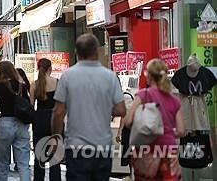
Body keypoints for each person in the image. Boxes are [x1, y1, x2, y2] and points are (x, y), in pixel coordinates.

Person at [52, 34, 126, 181]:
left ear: (76, 52)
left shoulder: (67, 76)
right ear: (97, 51)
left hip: (76, 147)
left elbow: (59, 112)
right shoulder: (109, 76)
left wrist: (56, 137)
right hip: (102, 146)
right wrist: (105, 108)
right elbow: (121, 110)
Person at [125, 59, 185, 181]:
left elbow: (128, 121)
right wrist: (165, 131)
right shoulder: (174, 100)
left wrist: (144, 129)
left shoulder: (143, 95)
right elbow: (181, 131)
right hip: (168, 151)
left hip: (145, 152)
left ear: (150, 76)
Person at [0, 61, 31, 181]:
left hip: (5, 122)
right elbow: (28, 105)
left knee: (3, 164)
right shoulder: (21, 86)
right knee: (23, 164)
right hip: (21, 124)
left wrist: (0, 123)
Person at [30, 58, 61, 181]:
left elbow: (31, 107)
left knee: (39, 157)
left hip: (39, 120)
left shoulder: (34, 85)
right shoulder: (58, 83)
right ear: (50, 68)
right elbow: (62, 105)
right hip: (54, 119)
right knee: (55, 158)